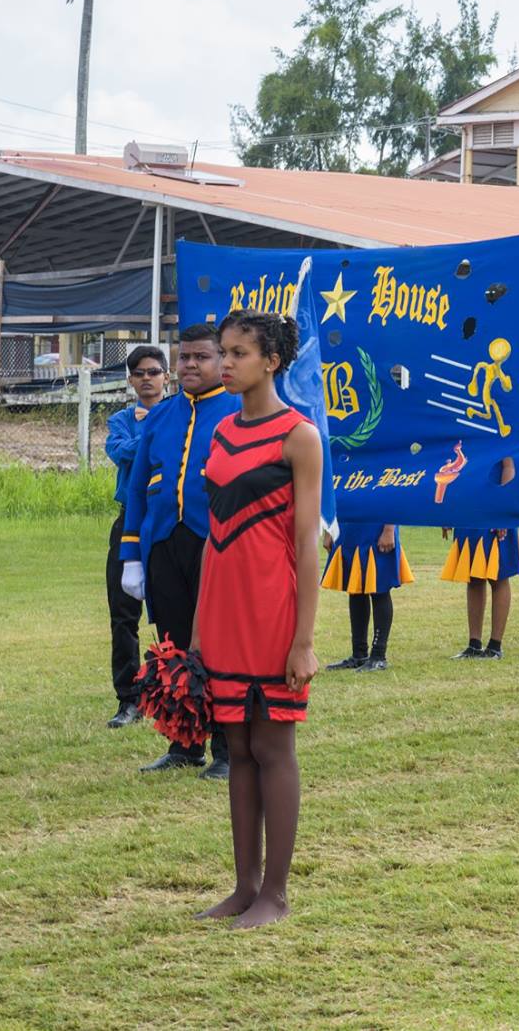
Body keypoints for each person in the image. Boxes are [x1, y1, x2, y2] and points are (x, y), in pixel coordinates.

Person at [190, 310, 324, 928]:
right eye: (224, 352)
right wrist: (195, 631)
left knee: (273, 746)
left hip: (272, 607)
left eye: (239, 353)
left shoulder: (299, 435)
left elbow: (306, 542)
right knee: (236, 748)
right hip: (220, 606)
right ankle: (243, 887)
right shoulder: (219, 432)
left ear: (271, 361)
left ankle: (276, 894)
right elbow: (214, 537)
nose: (226, 363)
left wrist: (303, 640)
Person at [119, 323, 239, 778]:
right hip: (164, 544)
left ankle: (228, 750)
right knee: (172, 649)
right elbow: (136, 488)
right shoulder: (163, 416)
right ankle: (184, 743)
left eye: (201, 357)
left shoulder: (236, 411)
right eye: (184, 357)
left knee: (219, 647)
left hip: (215, 545)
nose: (190, 365)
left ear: (221, 360)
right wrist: (131, 554)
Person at [101, 344, 167, 728]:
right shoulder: (121, 419)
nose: (147, 378)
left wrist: (153, 431)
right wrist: (153, 434)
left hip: (166, 519)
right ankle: (129, 698)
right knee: (123, 613)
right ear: (130, 380)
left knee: (171, 610)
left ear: (166, 376)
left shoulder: (178, 413)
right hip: (129, 521)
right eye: (140, 373)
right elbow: (122, 452)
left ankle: (168, 687)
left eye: (154, 371)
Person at [321, 522, 411, 671]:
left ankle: (378, 656)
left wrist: (389, 529)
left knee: (379, 589)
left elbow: (395, 498)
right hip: (349, 527)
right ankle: (359, 654)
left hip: (377, 527)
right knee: (355, 589)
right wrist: (329, 530)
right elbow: (336, 498)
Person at [441, 517, 519, 660]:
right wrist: (449, 512)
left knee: (498, 577)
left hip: (497, 510)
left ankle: (495, 646)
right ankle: (474, 645)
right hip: (469, 511)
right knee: (474, 576)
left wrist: (503, 515)